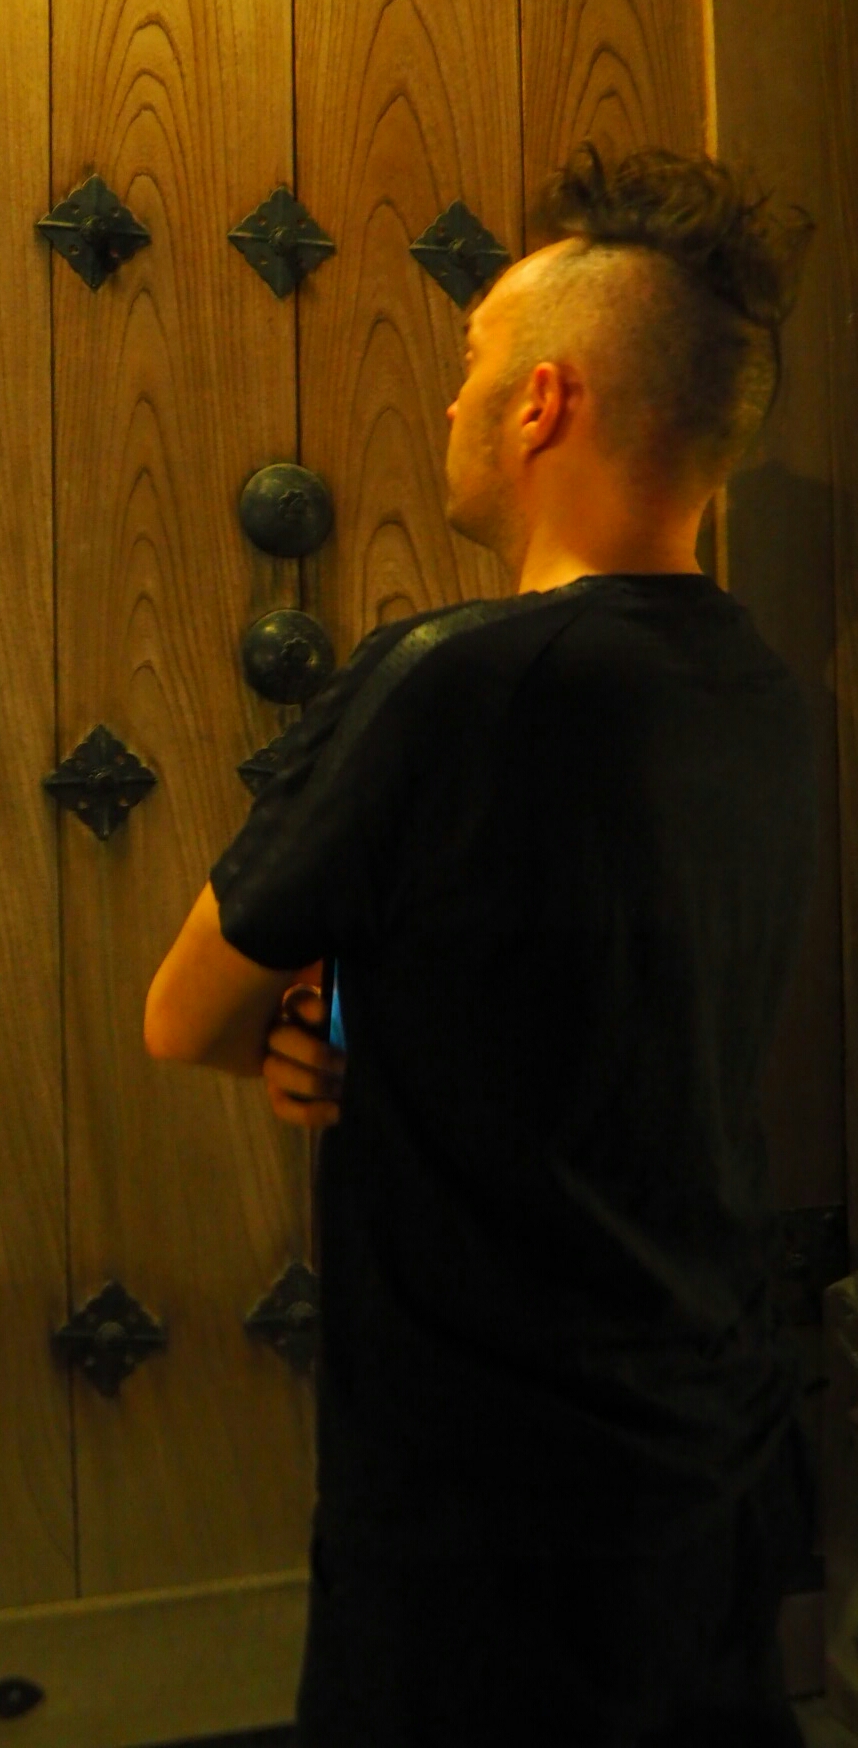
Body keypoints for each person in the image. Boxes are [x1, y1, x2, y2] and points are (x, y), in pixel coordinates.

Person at [216, 143, 822, 1746]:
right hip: (705, 1441)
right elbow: (570, 991)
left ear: (544, 401)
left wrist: (289, 1014)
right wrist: (346, 1010)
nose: (452, 398)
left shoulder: (450, 675)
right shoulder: (767, 696)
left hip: (482, 1490)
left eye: (474, 358)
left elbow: (183, 1011)